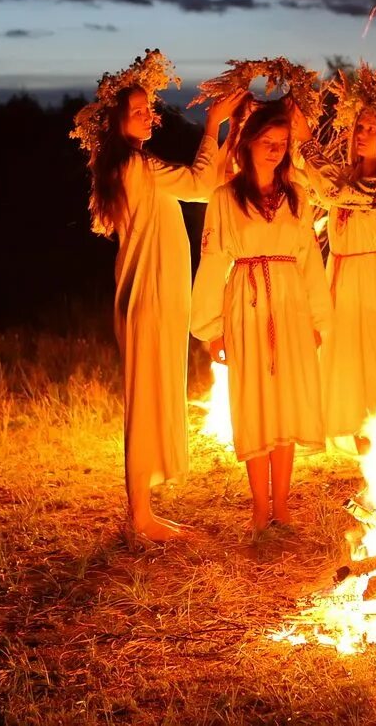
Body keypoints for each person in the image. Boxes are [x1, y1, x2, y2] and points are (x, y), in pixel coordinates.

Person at [72, 50, 244, 541]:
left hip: (150, 293)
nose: (151, 116)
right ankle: (141, 518)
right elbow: (201, 183)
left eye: (151, 109)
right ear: (118, 121)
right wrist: (214, 125)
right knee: (145, 400)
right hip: (148, 295)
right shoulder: (135, 166)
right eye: (139, 111)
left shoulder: (131, 163)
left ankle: (143, 511)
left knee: (152, 396)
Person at [190, 103, 332, 535]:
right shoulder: (225, 198)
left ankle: (283, 506)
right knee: (253, 400)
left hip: (289, 301)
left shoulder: (297, 196)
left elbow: (309, 258)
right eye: (268, 143)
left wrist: (316, 318)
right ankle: (258, 506)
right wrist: (211, 330)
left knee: (286, 399)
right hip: (247, 303)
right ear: (249, 142)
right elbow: (213, 261)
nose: (275, 151)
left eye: (282, 144)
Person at [288, 65, 376, 453]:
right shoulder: (351, 175)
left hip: (371, 279)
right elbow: (316, 183)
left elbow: (334, 190)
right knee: (340, 366)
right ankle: (360, 450)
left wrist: (306, 141)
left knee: (371, 369)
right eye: (359, 127)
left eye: (372, 128)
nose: (362, 134)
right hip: (338, 273)